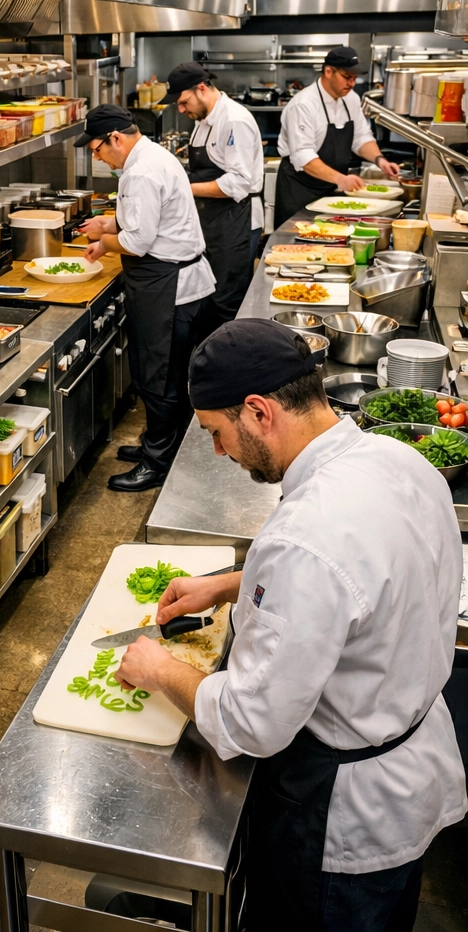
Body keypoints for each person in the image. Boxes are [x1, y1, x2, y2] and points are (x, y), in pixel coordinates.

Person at [115, 318, 466, 932]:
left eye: (217, 433)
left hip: (342, 818)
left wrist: (160, 668)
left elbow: (253, 721)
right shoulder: (397, 460)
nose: (220, 452)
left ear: (257, 411)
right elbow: (368, 582)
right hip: (410, 771)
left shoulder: (306, 538)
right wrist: (232, 583)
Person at [76, 104, 215, 492]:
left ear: (116, 138)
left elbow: (137, 242)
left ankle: (157, 463)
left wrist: (104, 241)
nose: (98, 157)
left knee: (159, 377)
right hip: (176, 281)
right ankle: (160, 445)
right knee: (166, 373)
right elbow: (147, 218)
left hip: (168, 286)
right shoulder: (153, 155)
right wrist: (108, 223)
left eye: (98, 149)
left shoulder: (139, 171)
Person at [160, 62, 264, 328]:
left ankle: (228, 365)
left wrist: (183, 189)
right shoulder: (204, 120)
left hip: (235, 223)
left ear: (202, 88)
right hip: (212, 222)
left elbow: (238, 183)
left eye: (183, 102)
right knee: (208, 301)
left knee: (225, 303)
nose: (182, 110)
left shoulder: (233, 120)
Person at [273, 46, 402, 229]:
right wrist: (341, 179)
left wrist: (380, 160)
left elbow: (361, 137)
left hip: (332, 186)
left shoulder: (351, 99)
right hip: (300, 188)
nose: (351, 83)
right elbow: (304, 156)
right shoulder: (303, 105)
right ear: (328, 71)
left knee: (331, 239)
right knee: (296, 240)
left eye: (355, 78)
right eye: (347, 77)